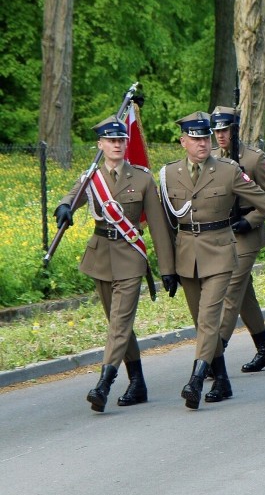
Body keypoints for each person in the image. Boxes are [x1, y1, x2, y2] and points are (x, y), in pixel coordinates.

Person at [160, 111, 265, 409]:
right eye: (195, 138)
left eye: (205, 137)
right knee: (201, 321)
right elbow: (164, 225)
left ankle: (197, 378)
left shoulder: (228, 169)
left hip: (222, 251)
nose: (203, 143)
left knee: (211, 316)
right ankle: (222, 380)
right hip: (187, 256)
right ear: (183, 141)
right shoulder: (169, 174)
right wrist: (167, 268)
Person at [54, 116, 177, 413]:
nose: (117, 145)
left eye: (121, 140)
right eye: (111, 141)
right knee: (118, 325)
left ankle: (104, 383)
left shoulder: (143, 178)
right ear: (101, 145)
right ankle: (138, 382)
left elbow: (159, 228)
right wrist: (63, 208)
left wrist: (168, 268)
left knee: (120, 325)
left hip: (130, 257)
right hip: (100, 257)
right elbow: (73, 196)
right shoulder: (92, 177)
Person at [209, 106, 265, 374]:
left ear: (234, 129)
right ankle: (264, 350)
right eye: (216, 130)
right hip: (222, 235)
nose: (220, 135)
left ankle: (212, 357)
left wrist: (250, 220)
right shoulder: (213, 159)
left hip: (247, 235)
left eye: (224, 130)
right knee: (244, 296)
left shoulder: (253, 159)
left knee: (230, 292)